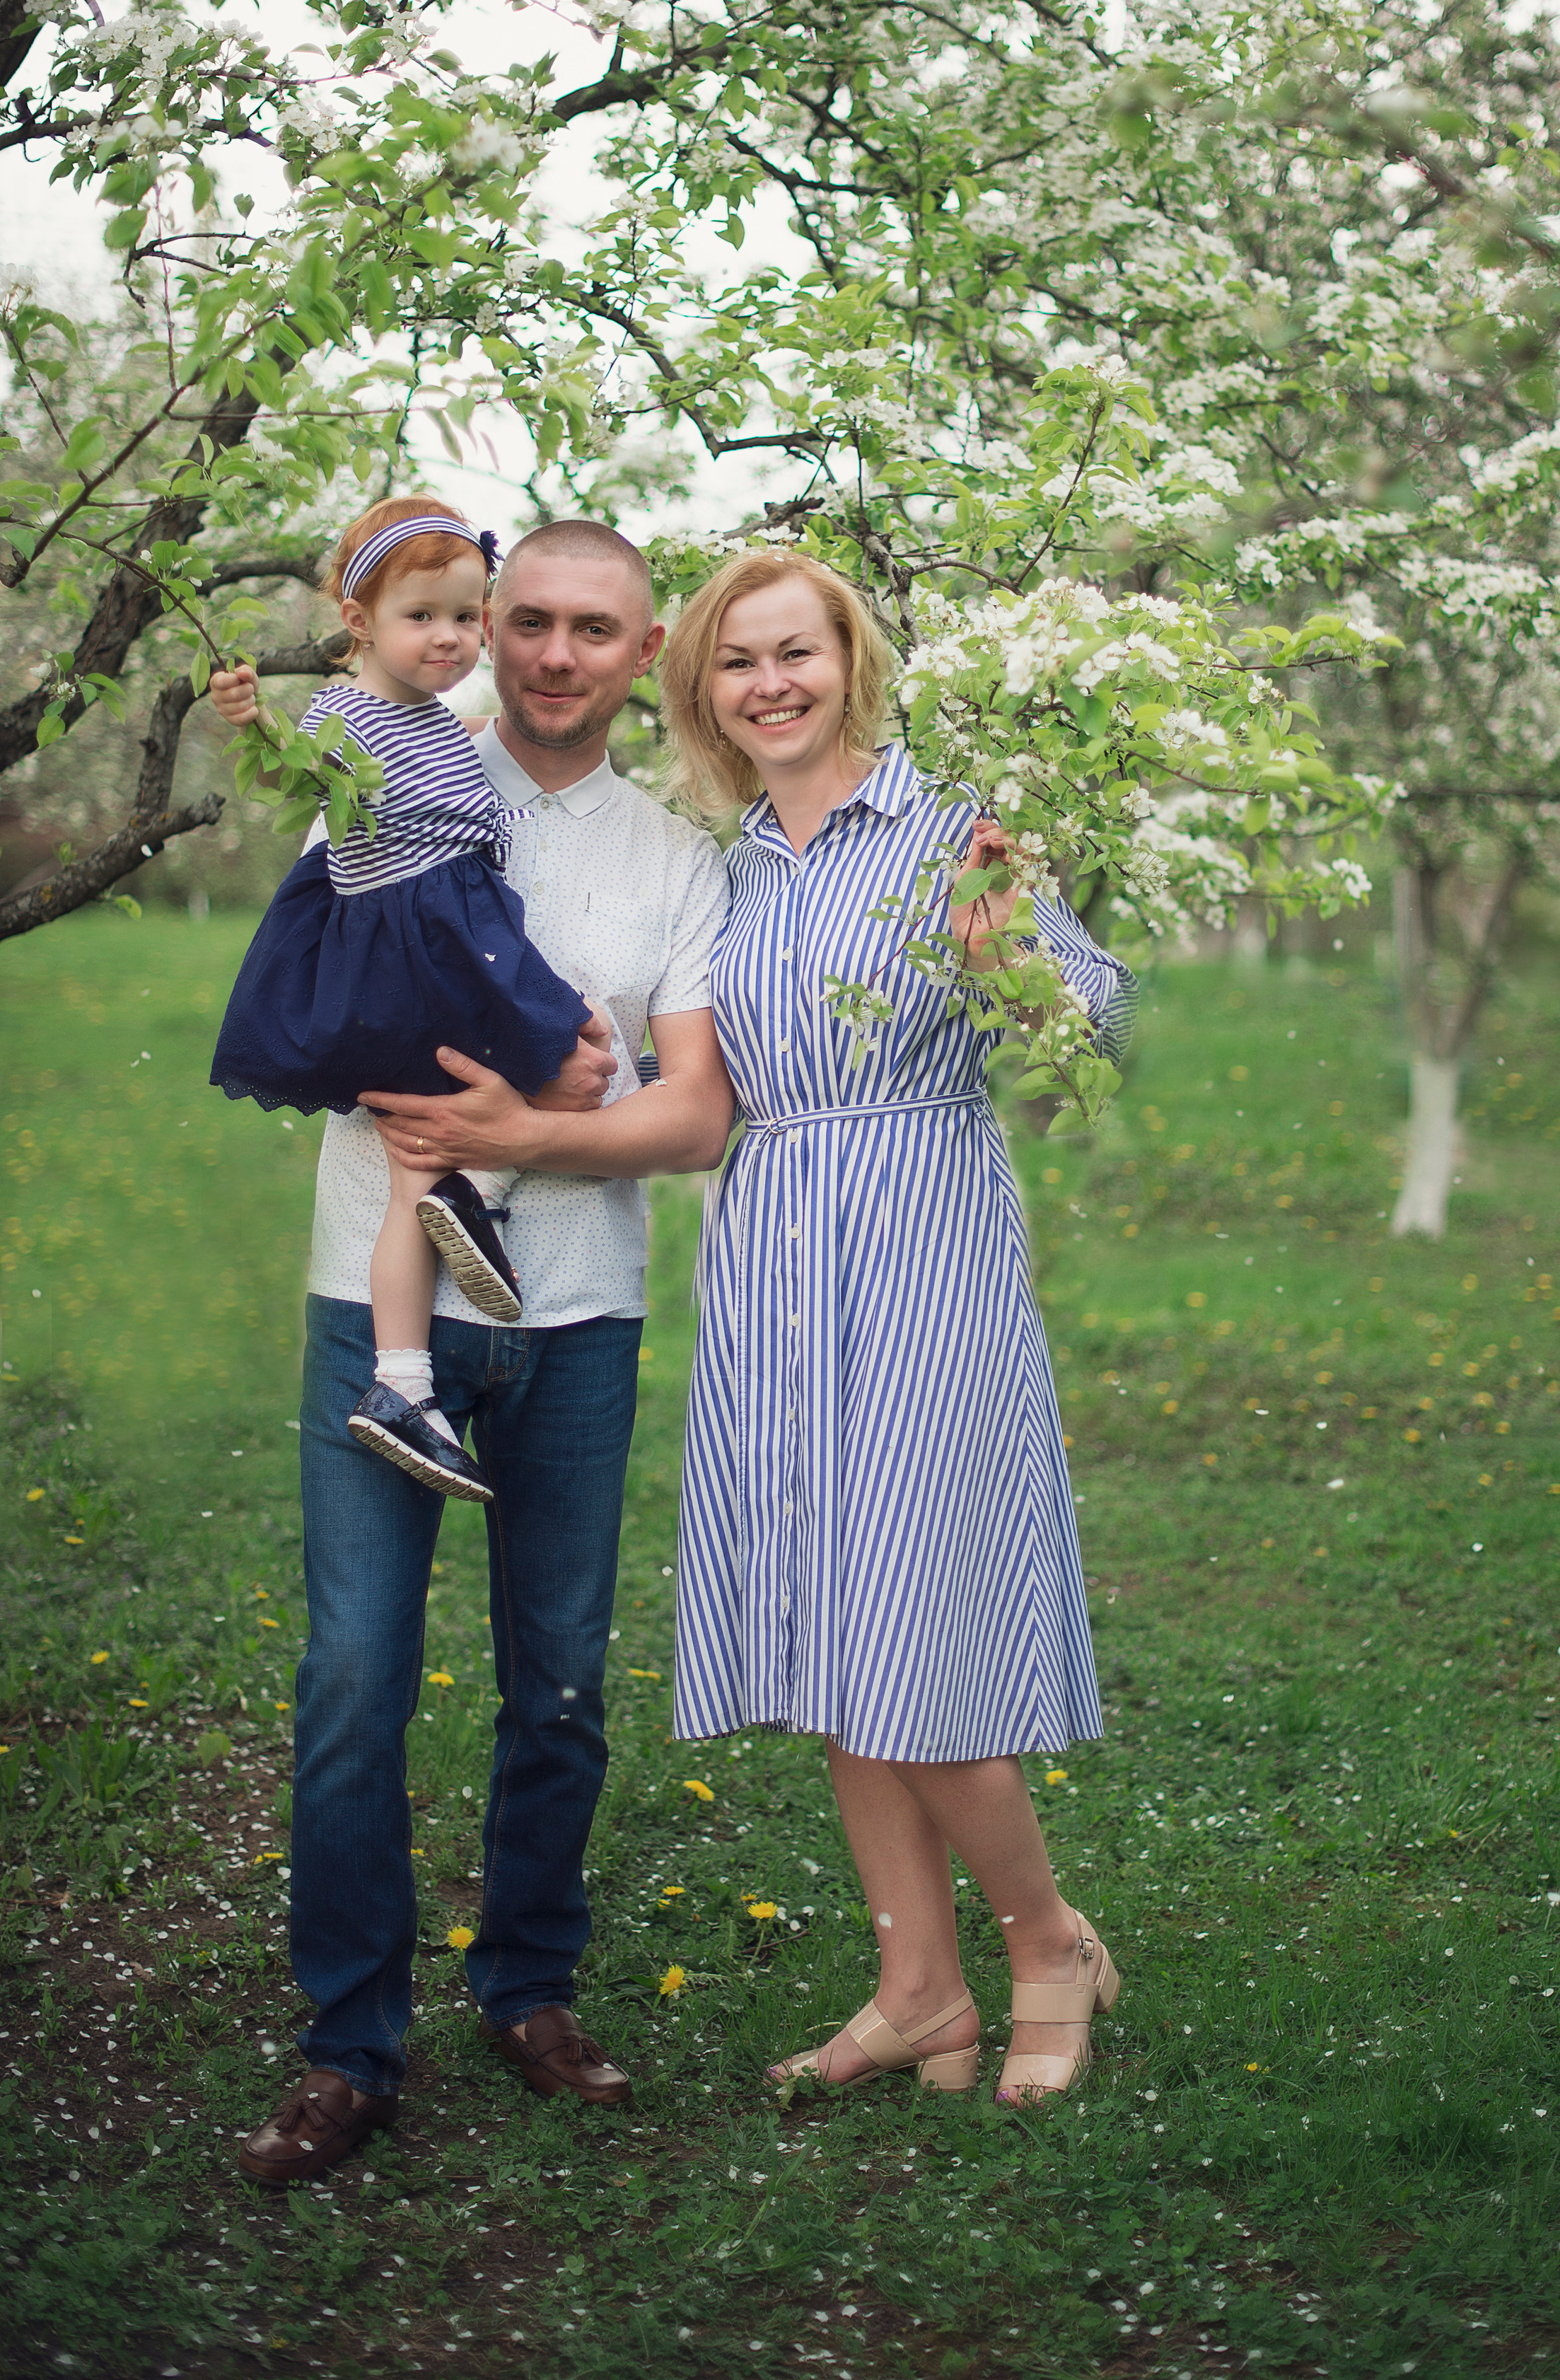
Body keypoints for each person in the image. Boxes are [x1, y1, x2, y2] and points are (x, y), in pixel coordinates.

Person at [230, 518, 734, 2190]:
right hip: (371, 1307)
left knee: (561, 1685)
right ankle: (346, 2043)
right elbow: (328, 995)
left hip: (574, 1322)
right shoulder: (386, 771)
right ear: (481, 627)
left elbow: (692, 1110)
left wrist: (526, 1123)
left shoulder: (676, 861)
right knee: (356, 1680)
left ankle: (527, 1988)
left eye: (596, 629)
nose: (552, 654)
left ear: (642, 648)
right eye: (526, 622)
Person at [660, 549, 1136, 2106]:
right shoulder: (721, 863)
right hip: (773, 1246)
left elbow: (1100, 1023)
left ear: (848, 659)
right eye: (737, 663)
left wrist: (1012, 956)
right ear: (704, 690)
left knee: (911, 1630)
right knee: (820, 1633)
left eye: (793, 653)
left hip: (920, 1233)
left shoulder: (950, 826)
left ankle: (1046, 1939)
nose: (768, 685)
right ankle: (918, 1990)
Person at [210, 496, 605, 1500]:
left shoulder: (429, 717)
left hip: (447, 933)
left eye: (468, 617)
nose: (453, 638)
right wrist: (254, 723)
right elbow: (292, 773)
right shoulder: (341, 716)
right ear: (359, 622)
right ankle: (475, 1200)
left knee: (418, 1171)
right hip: (422, 946)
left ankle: (402, 1381)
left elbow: (430, 758)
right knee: (573, 1051)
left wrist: (467, 723)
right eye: (424, 616)